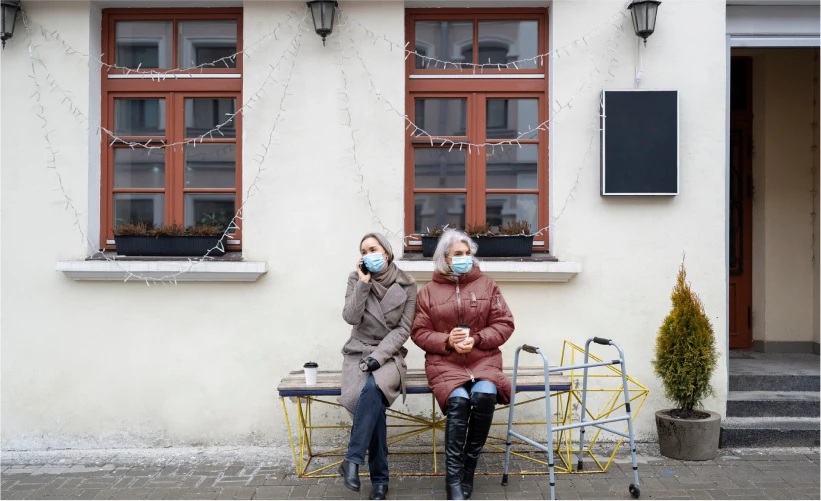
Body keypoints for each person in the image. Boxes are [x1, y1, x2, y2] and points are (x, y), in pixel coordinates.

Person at [411, 229, 515, 501]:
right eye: (458, 254)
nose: (465, 258)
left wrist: (478, 339)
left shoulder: (488, 285)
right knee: (458, 402)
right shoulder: (428, 292)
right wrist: (447, 341)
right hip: (445, 363)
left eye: (468, 254)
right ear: (445, 258)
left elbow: (504, 323)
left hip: (483, 359)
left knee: (484, 395)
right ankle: (453, 478)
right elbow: (419, 332)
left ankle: (468, 469)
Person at [339, 232, 417, 501]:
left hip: (389, 353)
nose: (367, 254)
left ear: (386, 252)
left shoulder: (407, 285)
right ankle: (379, 480)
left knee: (374, 390)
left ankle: (353, 460)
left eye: (372, 248)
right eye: (363, 250)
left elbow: (403, 329)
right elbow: (351, 317)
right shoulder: (355, 278)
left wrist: (380, 356)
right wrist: (362, 284)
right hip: (357, 350)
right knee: (373, 402)